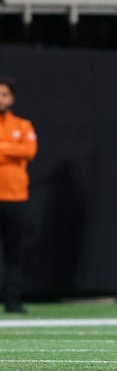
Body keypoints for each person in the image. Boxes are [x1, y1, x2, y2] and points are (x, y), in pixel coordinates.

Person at [0, 76, 38, 314]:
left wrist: (2, 148)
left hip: (15, 196)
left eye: (4, 94)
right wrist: (11, 152)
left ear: (12, 98)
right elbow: (20, 152)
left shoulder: (23, 125)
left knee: (14, 251)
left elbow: (30, 150)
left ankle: (12, 301)